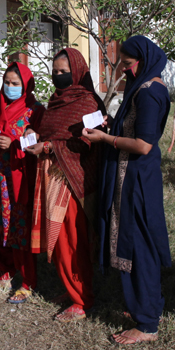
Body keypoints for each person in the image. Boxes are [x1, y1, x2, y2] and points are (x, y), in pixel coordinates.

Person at [85, 35, 171, 344]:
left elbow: (144, 145)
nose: (124, 67)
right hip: (131, 175)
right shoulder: (142, 88)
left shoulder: (149, 93)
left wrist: (105, 140)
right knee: (136, 242)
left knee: (138, 246)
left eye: (128, 62)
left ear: (143, 61)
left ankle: (147, 323)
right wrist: (112, 129)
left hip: (136, 178)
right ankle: (147, 307)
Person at [27, 48, 105, 321]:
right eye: (55, 72)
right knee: (59, 239)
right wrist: (35, 135)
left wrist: (48, 145)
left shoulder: (88, 103)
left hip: (73, 182)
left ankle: (82, 299)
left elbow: (86, 142)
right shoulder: (56, 101)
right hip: (51, 177)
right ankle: (71, 290)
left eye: (64, 72)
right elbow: (51, 130)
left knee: (72, 241)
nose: (59, 77)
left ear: (78, 72)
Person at [0, 62, 43, 303]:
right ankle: (4, 272)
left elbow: (37, 141)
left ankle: (27, 281)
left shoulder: (34, 110)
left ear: (26, 85)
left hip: (17, 176)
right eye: (7, 82)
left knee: (18, 226)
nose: (10, 87)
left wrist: (14, 142)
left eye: (16, 84)